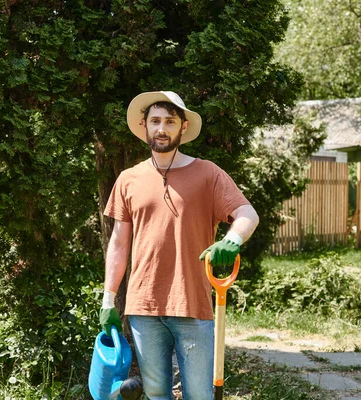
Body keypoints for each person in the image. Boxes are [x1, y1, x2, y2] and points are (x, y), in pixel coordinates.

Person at [99, 91, 259, 400]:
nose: (162, 129)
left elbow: (247, 214)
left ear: (183, 127)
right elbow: (119, 243)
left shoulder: (208, 174)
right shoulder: (128, 179)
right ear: (144, 126)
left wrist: (232, 240)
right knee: (157, 394)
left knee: (199, 395)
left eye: (170, 122)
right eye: (155, 121)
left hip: (191, 304)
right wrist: (108, 299)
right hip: (143, 306)